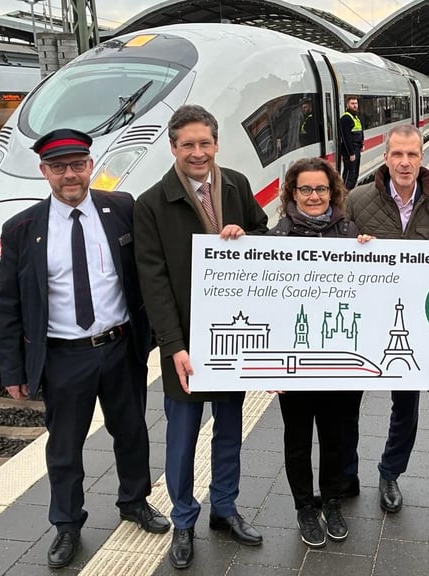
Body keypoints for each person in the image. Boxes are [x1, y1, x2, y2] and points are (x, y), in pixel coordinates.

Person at [0, 128, 169, 569]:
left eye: (77, 165)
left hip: (120, 347)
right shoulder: (22, 229)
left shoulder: (122, 209)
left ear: (91, 166)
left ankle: (134, 501)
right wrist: (13, 370)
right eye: (58, 168)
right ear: (44, 172)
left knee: (131, 432)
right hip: (63, 355)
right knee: (65, 446)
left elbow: (152, 265)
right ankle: (67, 523)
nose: (69, 175)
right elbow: (9, 306)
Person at [133, 105, 269, 570]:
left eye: (204, 143)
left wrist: (245, 235)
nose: (197, 153)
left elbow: (264, 233)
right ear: (173, 147)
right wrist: (173, 345)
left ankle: (224, 509)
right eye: (187, 144)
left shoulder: (236, 185)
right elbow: (153, 281)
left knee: (230, 429)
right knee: (182, 438)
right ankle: (184, 520)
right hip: (187, 343)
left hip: (232, 335)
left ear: (216, 144)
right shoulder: (151, 204)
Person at [343, 124, 429, 513]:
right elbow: (336, 259)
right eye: (397, 154)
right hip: (365, 319)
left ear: (422, 157)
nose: (405, 163)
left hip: (413, 322)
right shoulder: (357, 200)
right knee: (347, 404)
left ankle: (390, 473)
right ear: (386, 157)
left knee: (406, 407)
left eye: (412, 155)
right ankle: (346, 474)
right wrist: (353, 247)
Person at [268, 157, 370, 548]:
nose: (314, 196)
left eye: (321, 189)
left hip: (338, 359)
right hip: (294, 362)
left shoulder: (350, 232)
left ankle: (331, 501)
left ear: (333, 192)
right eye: (306, 189)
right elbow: (265, 303)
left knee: (335, 437)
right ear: (292, 193)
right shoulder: (277, 238)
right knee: (297, 440)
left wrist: (371, 255)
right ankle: (304, 508)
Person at [339, 96, 364, 188]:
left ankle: (352, 192)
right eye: (352, 103)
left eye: (356, 103)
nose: (355, 105)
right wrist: (351, 153)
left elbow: (360, 131)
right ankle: (344, 193)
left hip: (356, 149)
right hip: (351, 151)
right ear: (347, 105)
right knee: (349, 174)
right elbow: (346, 137)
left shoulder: (356, 118)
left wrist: (361, 145)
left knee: (355, 174)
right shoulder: (346, 118)